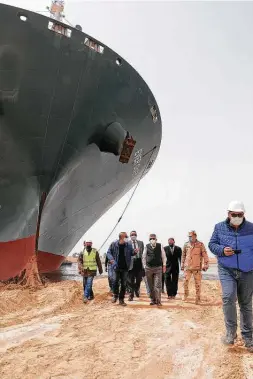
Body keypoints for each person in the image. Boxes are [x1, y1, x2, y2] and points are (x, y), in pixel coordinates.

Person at [208, 201, 253, 352]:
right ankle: (230, 333)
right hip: (227, 269)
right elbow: (212, 244)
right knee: (228, 297)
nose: (237, 217)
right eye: (234, 215)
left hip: (248, 270)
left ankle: (248, 337)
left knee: (246, 303)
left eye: (240, 215)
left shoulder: (251, 228)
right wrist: (221, 250)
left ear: (243, 215)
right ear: (228, 214)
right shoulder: (219, 227)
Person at [107, 232, 134, 306]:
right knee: (115, 282)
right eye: (126, 236)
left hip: (125, 267)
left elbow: (131, 253)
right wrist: (112, 260)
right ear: (122, 237)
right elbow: (108, 253)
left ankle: (121, 300)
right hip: (116, 267)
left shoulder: (128, 244)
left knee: (123, 284)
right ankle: (115, 296)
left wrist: (134, 252)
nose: (127, 237)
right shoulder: (114, 244)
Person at [182, 231, 209, 304]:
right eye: (189, 236)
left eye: (191, 236)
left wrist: (206, 264)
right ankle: (185, 294)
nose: (190, 237)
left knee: (198, 284)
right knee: (185, 282)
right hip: (187, 267)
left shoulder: (200, 244)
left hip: (197, 268)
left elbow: (205, 254)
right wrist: (182, 264)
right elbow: (183, 255)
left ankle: (198, 298)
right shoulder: (186, 244)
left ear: (195, 236)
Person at [142, 234, 166, 306]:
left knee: (157, 285)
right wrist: (144, 266)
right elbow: (143, 257)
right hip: (148, 268)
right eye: (151, 238)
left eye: (153, 238)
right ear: (149, 240)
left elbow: (164, 256)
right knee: (150, 285)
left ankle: (158, 300)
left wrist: (164, 265)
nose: (152, 240)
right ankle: (153, 299)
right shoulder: (146, 246)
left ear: (156, 239)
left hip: (158, 268)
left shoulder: (160, 246)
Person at [128, 231, 145, 301]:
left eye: (134, 234)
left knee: (139, 279)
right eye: (132, 235)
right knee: (130, 280)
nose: (133, 235)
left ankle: (136, 289)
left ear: (136, 235)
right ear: (130, 236)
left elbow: (143, 254)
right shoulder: (127, 243)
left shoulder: (141, 243)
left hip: (139, 262)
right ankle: (131, 295)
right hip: (131, 263)